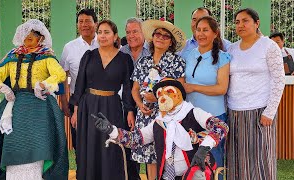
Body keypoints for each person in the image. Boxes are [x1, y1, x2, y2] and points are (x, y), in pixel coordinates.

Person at [93, 78, 229, 180]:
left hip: (194, 174)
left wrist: (204, 147)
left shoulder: (194, 113)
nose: (163, 96)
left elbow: (221, 126)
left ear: (180, 94)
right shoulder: (158, 123)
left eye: (169, 92)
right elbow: (136, 139)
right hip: (167, 176)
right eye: (159, 94)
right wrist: (112, 130)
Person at [0, 19, 68, 179]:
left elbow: (60, 74)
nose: (26, 41)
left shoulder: (47, 56)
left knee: (39, 146)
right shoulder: (12, 56)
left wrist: (44, 84)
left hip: (40, 109)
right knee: (13, 145)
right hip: (15, 109)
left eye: (30, 38)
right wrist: (3, 87)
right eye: (24, 37)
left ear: (40, 38)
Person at [69, 19, 135, 180]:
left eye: (107, 32)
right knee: (89, 147)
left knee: (111, 146)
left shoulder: (124, 59)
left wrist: (130, 111)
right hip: (88, 107)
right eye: (100, 32)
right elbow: (79, 85)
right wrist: (76, 111)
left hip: (111, 107)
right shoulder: (89, 56)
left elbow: (128, 88)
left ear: (115, 36)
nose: (102, 36)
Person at [226, 8, 285, 180]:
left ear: (256, 23)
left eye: (245, 21)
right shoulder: (232, 49)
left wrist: (270, 111)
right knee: (237, 162)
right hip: (234, 112)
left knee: (261, 162)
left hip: (260, 112)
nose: (240, 25)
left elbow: (278, 79)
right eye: (237, 22)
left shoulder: (268, 46)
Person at [131, 19, 186, 180]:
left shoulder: (177, 62)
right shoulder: (143, 61)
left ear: (171, 43)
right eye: (158, 34)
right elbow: (134, 89)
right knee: (149, 158)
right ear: (152, 38)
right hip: (145, 114)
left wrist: (157, 99)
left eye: (166, 36)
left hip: (167, 116)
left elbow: (180, 91)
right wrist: (140, 105)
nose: (161, 38)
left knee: (167, 153)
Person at [181, 16, 230, 179]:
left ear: (215, 33)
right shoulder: (187, 55)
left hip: (213, 117)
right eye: (198, 30)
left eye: (205, 30)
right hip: (190, 117)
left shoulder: (222, 57)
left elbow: (221, 88)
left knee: (213, 160)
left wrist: (193, 87)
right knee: (191, 161)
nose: (200, 34)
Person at [59, 8, 99, 151]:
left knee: (100, 141)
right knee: (79, 142)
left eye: (88, 21)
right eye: (81, 22)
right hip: (77, 101)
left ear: (96, 23)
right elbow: (63, 76)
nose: (84, 25)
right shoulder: (69, 47)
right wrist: (64, 101)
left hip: (101, 101)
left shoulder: (105, 44)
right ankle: (81, 172)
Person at [120, 17, 151, 180]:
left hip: (150, 107)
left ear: (143, 32)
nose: (131, 36)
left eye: (135, 31)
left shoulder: (152, 51)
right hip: (127, 106)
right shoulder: (121, 52)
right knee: (130, 149)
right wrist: (129, 109)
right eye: (128, 32)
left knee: (150, 149)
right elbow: (124, 85)